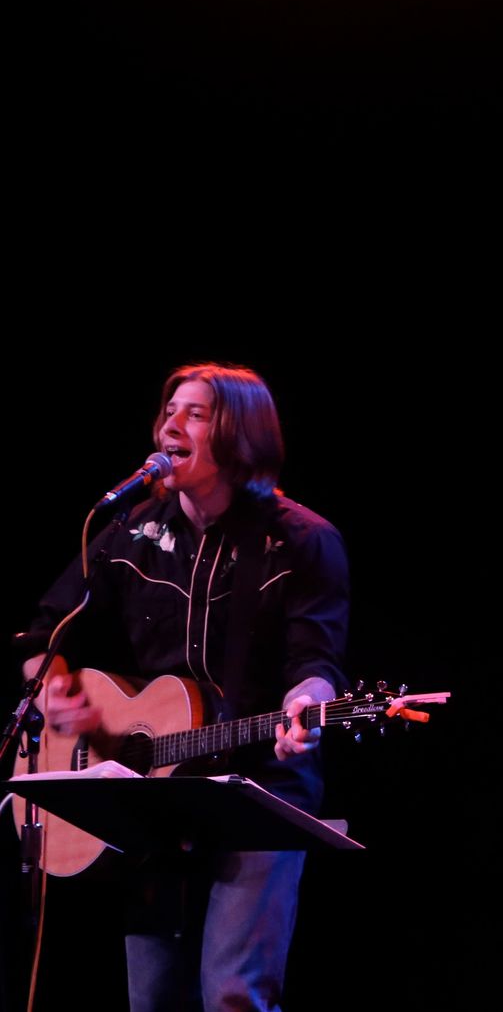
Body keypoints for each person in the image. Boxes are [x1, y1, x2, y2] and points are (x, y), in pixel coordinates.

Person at [18, 362, 349, 1012]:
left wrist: (304, 705)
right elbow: (42, 636)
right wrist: (51, 689)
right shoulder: (133, 530)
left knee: (232, 992)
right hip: (156, 794)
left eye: (195, 413)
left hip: (260, 786)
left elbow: (317, 660)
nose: (171, 424)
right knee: (152, 997)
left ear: (240, 434)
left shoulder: (302, 540)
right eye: (169, 409)